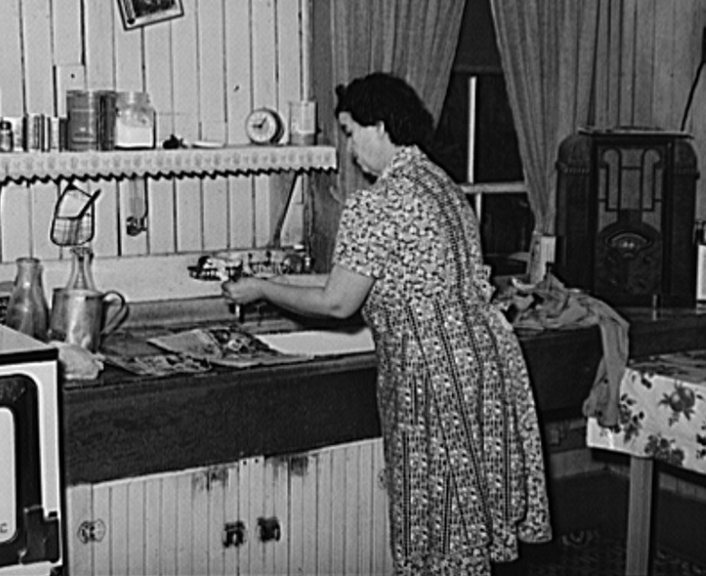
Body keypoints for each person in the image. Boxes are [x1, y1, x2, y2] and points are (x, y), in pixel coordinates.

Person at [222, 72, 552, 575]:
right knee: (471, 526)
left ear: (379, 125)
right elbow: (373, 277)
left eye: (352, 132)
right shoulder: (439, 184)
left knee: (438, 528)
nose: (350, 148)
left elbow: (338, 303)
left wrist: (262, 288)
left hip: (432, 380)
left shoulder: (378, 202)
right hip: (484, 365)